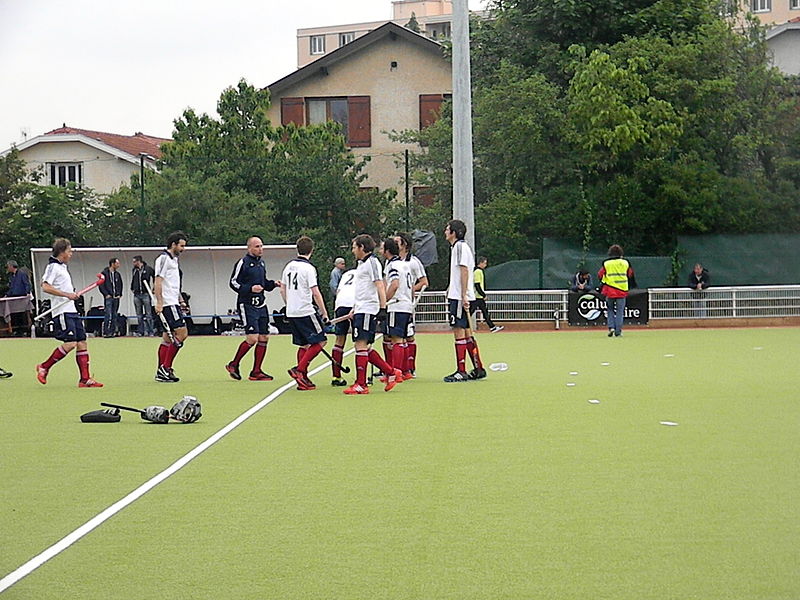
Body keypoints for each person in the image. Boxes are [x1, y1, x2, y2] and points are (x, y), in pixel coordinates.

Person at [35, 238, 103, 387]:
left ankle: (85, 379)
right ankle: (44, 367)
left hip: (71, 309)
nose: (71, 253)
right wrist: (67, 295)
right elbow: (45, 287)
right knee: (71, 343)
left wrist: (72, 294)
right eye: (69, 251)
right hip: (62, 311)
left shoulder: (63, 267)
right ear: (62, 252)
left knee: (82, 342)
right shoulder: (53, 266)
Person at [340, 234, 403, 395]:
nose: (353, 250)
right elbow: (363, 289)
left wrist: (382, 308)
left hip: (368, 309)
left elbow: (380, 285)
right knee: (364, 347)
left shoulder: (372, 262)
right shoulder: (361, 264)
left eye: (354, 247)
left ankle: (361, 384)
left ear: (362, 247)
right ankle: (390, 372)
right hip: (361, 308)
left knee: (360, 345)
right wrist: (354, 308)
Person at [226, 236, 281, 382]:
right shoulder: (243, 263)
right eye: (257, 246)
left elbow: (263, 284)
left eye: (261, 246)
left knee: (264, 337)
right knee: (252, 338)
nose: (260, 249)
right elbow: (233, 283)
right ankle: (233, 364)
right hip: (247, 305)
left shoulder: (261, 263)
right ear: (249, 248)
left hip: (261, 304)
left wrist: (273, 284)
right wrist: (249, 288)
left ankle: (256, 371)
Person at [282, 236, 330, 391]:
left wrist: (289, 305)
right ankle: (300, 370)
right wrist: (324, 313)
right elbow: (315, 292)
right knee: (321, 341)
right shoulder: (309, 268)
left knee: (304, 344)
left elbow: (283, 289)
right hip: (305, 310)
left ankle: (302, 380)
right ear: (312, 250)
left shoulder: (289, 266)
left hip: (292, 311)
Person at [443, 219, 486, 382]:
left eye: (447, 230)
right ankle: (478, 367)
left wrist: (463, 295)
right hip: (462, 295)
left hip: (460, 297)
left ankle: (461, 370)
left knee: (459, 332)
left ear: (454, 232)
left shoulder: (460, 247)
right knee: (467, 333)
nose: (445, 232)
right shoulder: (459, 247)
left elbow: (464, 270)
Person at [153, 231, 189, 382]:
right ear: (173, 244)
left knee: (167, 338)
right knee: (182, 334)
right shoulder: (163, 259)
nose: (183, 249)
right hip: (167, 303)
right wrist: (160, 302)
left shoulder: (174, 260)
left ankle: (161, 370)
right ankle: (165, 367)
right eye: (181, 246)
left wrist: (180, 300)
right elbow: (158, 281)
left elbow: (173, 284)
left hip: (173, 301)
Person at [394, 232, 428, 377]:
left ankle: (409, 368)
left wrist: (410, 289)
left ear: (404, 245)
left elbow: (424, 282)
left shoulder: (414, 262)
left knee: (408, 335)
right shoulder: (392, 262)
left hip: (406, 303)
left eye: (397, 242)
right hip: (393, 303)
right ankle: (393, 368)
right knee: (390, 336)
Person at [381, 237, 414, 378]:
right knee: (402, 339)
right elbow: (411, 287)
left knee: (396, 339)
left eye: (382, 248)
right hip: (406, 304)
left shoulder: (392, 266)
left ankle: (396, 372)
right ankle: (404, 371)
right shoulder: (404, 264)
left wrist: (383, 302)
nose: (380, 250)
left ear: (387, 251)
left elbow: (394, 284)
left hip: (396, 304)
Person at [598, 244, 636, 338]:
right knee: (620, 311)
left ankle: (611, 327)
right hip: (622, 290)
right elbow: (630, 274)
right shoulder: (625, 263)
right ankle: (618, 331)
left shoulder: (606, 263)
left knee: (610, 309)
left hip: (610, 290)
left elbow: (600, 274)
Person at [330, 264, 356, 387]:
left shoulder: (346, 274)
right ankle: (361, 379)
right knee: (361, 341)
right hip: (355, 304)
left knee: (339, 339)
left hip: (340, 303)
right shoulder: (366, 273)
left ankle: (336, 376)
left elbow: (338, 291)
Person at [472, 256, 503, 332]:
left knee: (484, 312)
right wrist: (483, 295)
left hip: (478, 296)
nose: (485, 265)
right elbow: (477, 285)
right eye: (485, 263)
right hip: (477, 296)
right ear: (481, 263)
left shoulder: (477, 271)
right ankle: (463, 326)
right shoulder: (477, 272)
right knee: (471, 311)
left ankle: (492, 327)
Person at [131, 255, 155, 336]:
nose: (133, 263)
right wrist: (132, 288)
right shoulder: (134, 270)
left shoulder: (148, 269)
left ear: (138, 261)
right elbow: (133, 279)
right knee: (139, 314)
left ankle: (150, 331)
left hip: (145, 294)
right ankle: (141, 331)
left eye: (134, 261)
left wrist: (154, 287)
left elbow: (155, 276)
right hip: (137, 294)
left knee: (148, 314)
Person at [99, 257, 123, 337]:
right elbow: (101, 285)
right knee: (108, 314)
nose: (118, 265)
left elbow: (120, 284)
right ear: (112, 264)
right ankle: (106, 332)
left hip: (116, 297)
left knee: (114, 315)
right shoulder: (104, 273)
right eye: (117, 263)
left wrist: (119, 294)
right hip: (109, 298)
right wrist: (106, 294)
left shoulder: (117, 274)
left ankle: (112, 332)